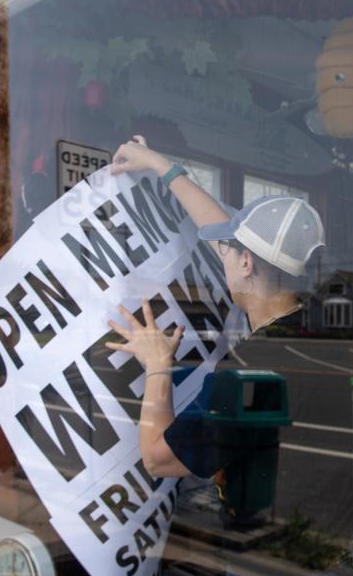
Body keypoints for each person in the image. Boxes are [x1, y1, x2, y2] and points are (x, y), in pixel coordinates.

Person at [103, 135, 324, 478]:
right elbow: (218, 230)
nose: (221, 257)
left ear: (246, 262)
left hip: (276, 524)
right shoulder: (318, 326)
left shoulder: (249, 372)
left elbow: (157, 460)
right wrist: (161, 166)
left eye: (227, 252)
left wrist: (158, 364)